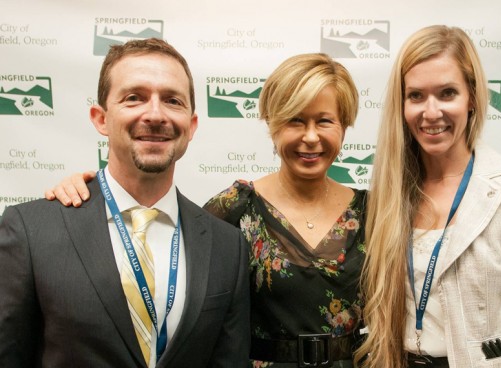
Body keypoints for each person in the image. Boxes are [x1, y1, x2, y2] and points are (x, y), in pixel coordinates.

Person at [44, 52, 366, 368]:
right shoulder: (237, 206)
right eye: (296, 120)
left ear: (344, 126)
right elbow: (164, 246)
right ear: (273, 124)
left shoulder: (375, 211)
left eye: (324, 121)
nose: (310, 137)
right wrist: (91, 190)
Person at [0, 38, 250, 368]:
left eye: (173, 100)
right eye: (135, 98)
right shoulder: (31, 230)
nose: (155, 114)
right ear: (100, 118)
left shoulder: (227, 246)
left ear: (191, 126)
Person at [354, 25, 501, 368]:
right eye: (416, 96)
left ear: (471, 97)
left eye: (447, 93)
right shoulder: (388, 196)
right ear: (401, 104)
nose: (431, 112)